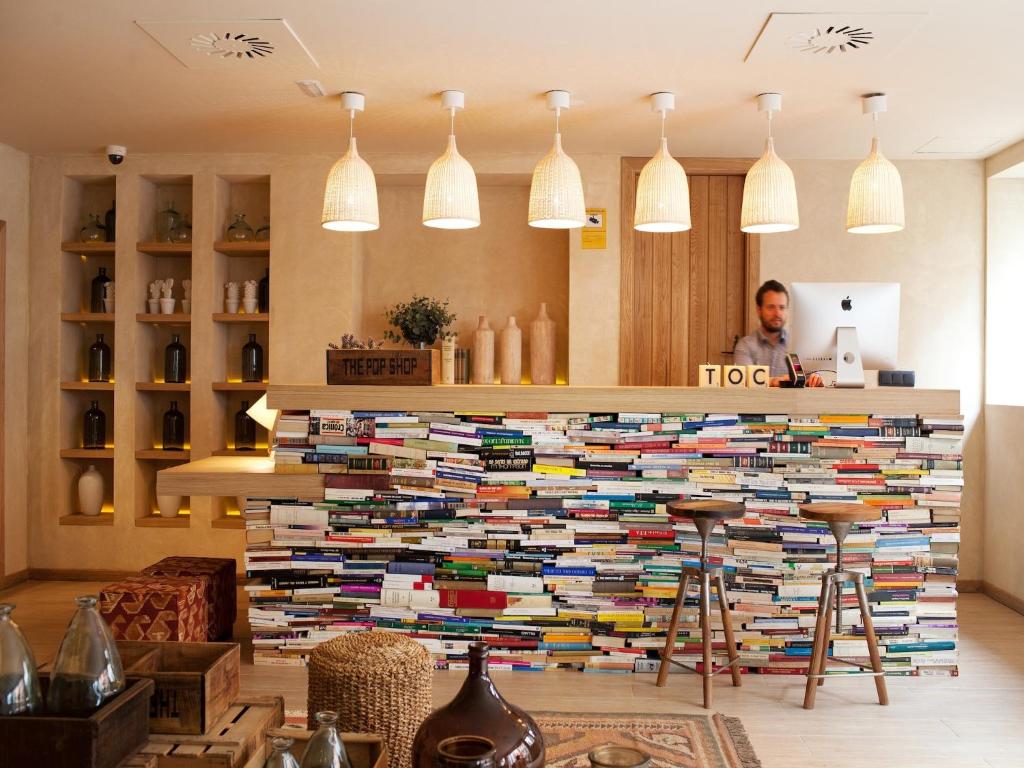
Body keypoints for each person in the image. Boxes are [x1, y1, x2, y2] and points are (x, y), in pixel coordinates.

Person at [733, 279, 824, 387]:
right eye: (771, 307)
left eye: (782, 307)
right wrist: (774, 381)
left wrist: (816, 378)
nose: (777, 313)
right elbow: (742, 380)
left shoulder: (797, 344)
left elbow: (812, 375)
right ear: (759, 310)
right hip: (756, 403)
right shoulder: (745, 346)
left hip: (792, 403)